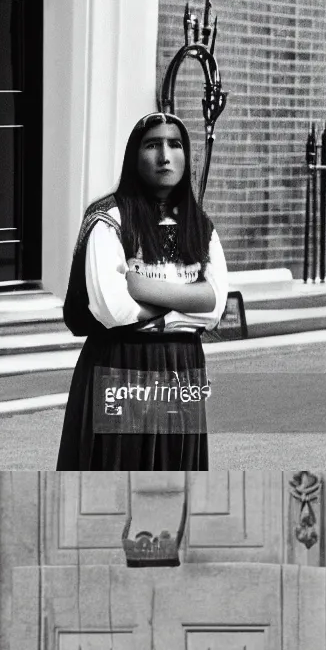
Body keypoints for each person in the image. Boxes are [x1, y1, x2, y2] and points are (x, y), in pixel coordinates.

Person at [56, 112, 228, 470]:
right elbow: (113, 309)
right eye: (152, 145)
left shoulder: (198, 224)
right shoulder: (109, 219)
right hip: (123, 365)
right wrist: (185, 301)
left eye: (175, 144)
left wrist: (142, 287)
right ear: (135, 155)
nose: (165, 156)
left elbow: (214, 307)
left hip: (182, 367)